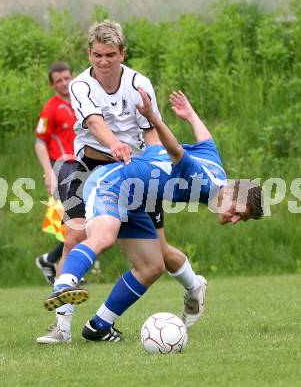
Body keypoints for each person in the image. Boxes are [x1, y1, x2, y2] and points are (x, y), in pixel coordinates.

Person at [43, 89, 263, 342]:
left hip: (137, 198)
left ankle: (99, 326)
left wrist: (190, 114)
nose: (233, 219)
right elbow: (177, 150)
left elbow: (206, 140)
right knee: (103, 236)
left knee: (152, 266)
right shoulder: (205, 182)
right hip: (112, 183)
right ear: (233, 191)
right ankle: (64, 284)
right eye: (236, 211)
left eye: (240, 219)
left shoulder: (218, 170)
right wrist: (153, 117)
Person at [36, 21, 203, 344]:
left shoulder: (140, 83)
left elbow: (150, 127)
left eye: (110, 54)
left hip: (132, 171)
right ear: (89, 53)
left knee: (156, 259)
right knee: (74, 235)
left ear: (122, 53)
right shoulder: (80, 85)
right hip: (87, 166)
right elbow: (95, 122)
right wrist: (113, 143)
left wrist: (156, 161)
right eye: (97, 55)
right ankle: (62, 328)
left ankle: (191, 285)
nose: (103, 61)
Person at [35, 61, 77, 285]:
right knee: (75, 223)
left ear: (73, 77)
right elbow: (40, 143)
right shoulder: (50, 109)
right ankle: (66, 275)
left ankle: (50, 261)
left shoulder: (81, 102)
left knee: (86, 223)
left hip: (83, 167)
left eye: (66, 78)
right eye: (58, 81)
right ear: (52, 85)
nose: (63, 84)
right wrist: (49, 173)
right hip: (62, 168)